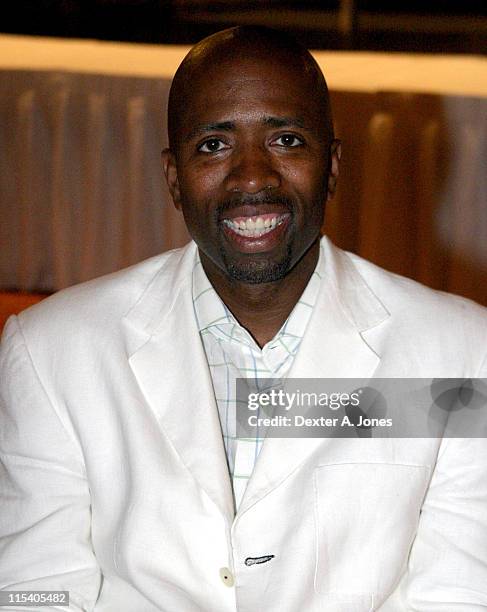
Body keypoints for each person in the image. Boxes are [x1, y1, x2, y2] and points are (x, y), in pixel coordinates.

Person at [0, 25, 486, 612]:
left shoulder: (461, 351)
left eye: (285, 139)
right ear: (173, 177)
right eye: (214, 145)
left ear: (332, 166)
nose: (252, 176)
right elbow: (33, 591)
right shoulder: (51, 350)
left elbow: (460, 595)